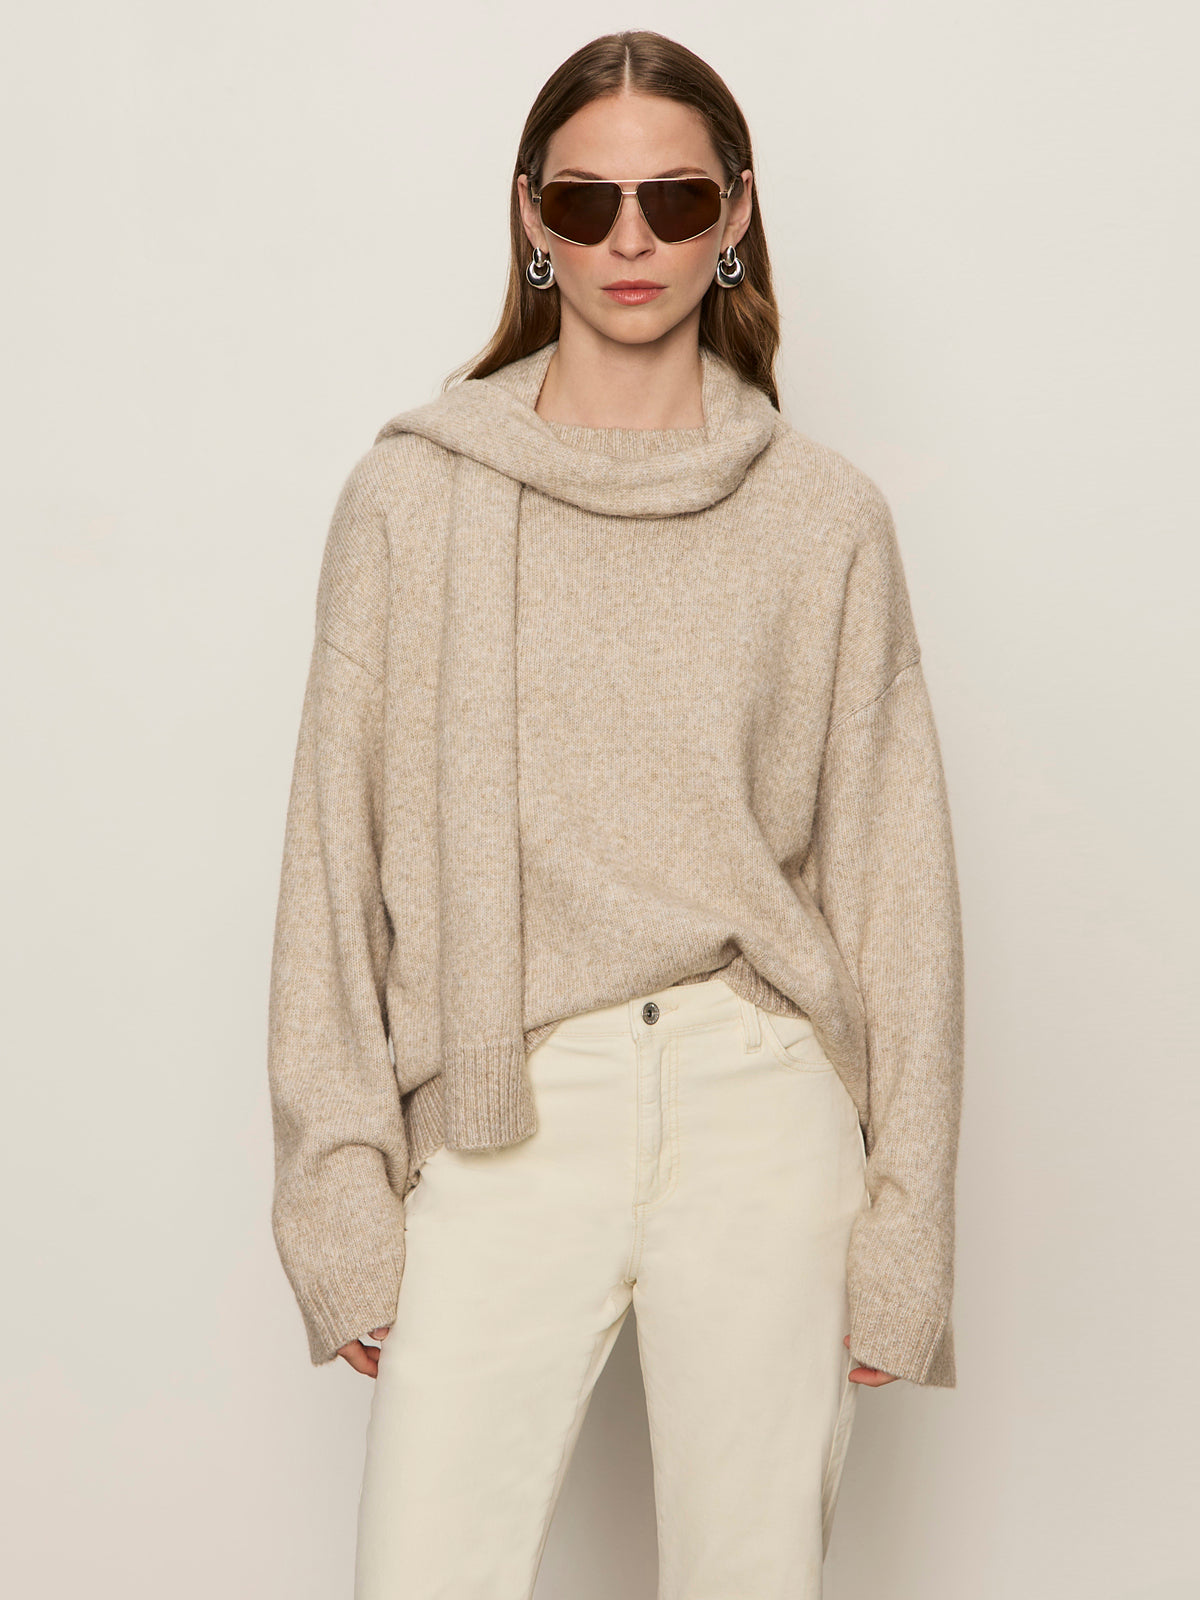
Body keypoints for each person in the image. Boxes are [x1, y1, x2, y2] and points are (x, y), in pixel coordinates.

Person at [266, 28, 965, 1600]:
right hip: (503, 1107)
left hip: (760, 1105)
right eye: (587, 204)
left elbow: (897, 885)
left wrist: (906, 1225)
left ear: (735, 216)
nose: (630, 241)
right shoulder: (416, 497)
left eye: (674, 200)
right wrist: (336, 1185)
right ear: (532, 214)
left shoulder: (823, 517)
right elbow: (329, 861)